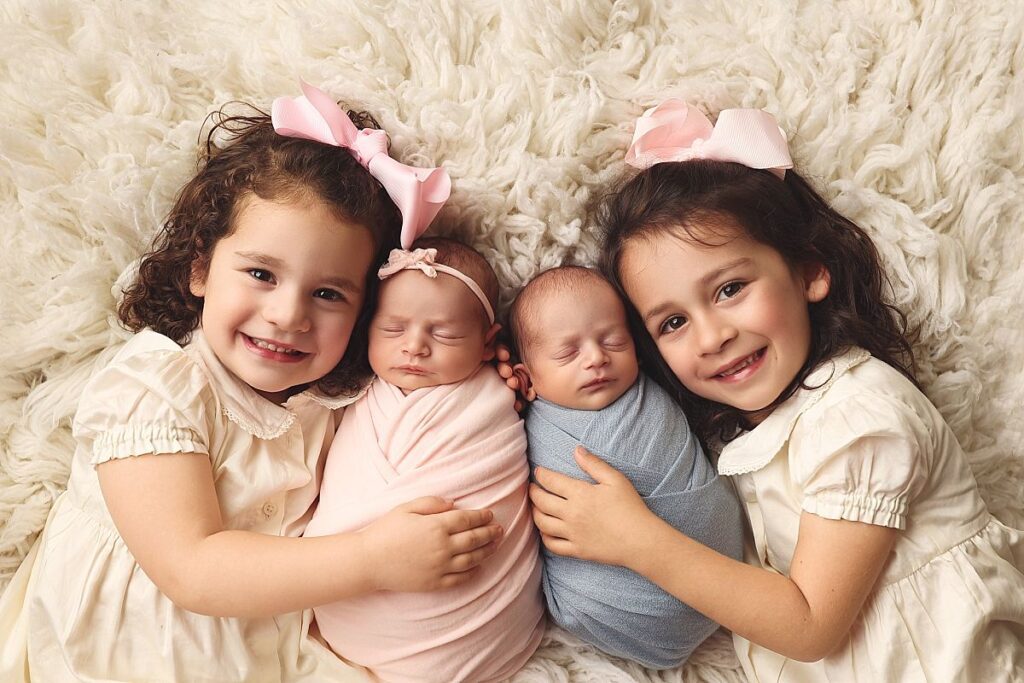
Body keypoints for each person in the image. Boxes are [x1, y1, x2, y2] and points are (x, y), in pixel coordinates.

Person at [0, 81, 503, 682]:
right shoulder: (155, 386)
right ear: (200, 269)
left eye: (327, 293)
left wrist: (491, 378)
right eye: (262, 273)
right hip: (122, 651)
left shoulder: (331, 404)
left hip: (258, 649)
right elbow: (192, 567)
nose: (289, 315)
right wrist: (373, 560)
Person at [526, 100, 1024, 681]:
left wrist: (637, 540)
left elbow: (809, 625)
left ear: (810, 270)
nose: (712, 336)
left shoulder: (861, 415)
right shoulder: (755, 431)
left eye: (731, 288)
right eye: (672, 323)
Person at [305, 237, 544, 683]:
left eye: (446, 333)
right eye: (393, 329)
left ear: (488, 342)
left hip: (476, 625)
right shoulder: (352, 392)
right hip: (358, 590)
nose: (414, 347)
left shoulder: (497, 393)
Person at [505, 265, 743, 669]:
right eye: (568, 352)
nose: (597, 358)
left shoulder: (657, 391)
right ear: (527, 382)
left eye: (613, 341)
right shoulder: (523, 424)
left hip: (723, 577)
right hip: (603, 606)